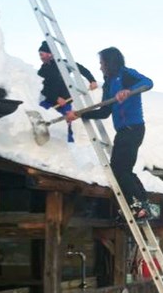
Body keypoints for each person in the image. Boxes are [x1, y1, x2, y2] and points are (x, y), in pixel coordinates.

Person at [66, 46, 154, 221]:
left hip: (133, 128)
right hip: (123, 131)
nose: (100, 67)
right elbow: (104, 111)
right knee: (123, 170)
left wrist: (129, 91)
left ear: (110, 62)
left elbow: (148, 83)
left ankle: (139, 206)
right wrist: (79, 114)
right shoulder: (108, 83)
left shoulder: (127, 74)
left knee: (120, 170)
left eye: (102, 63)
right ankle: (142, 204)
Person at [37, 41, 98, 142]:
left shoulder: (63, 64)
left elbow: (81, 69)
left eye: (41, 54)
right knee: (40, 115)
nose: (40, 57)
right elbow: (43, 88)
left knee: (66, 123)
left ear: (49, 54)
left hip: (65, 102)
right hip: (50, 102)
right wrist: (56, 98)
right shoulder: (42, 71)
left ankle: (68, 145)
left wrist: (92, 80)